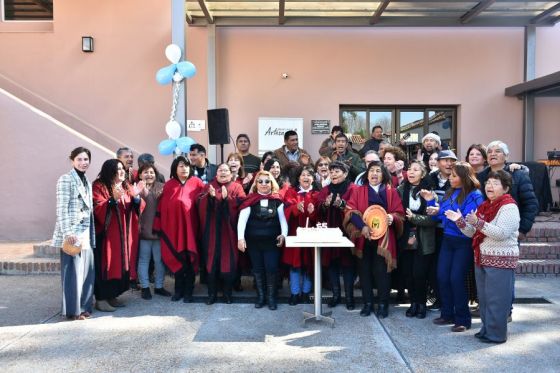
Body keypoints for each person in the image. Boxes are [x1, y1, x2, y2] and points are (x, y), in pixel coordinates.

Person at [447, 170, 519, 344]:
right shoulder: (485, 206)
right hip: (482, 258)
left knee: (497, 300)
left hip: (500, 259)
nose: (489, 186)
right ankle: (487, 330)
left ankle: (497, 335)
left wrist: (478, 223)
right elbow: (473, 233)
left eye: (495, 183)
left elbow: (501, 233)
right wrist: (460, 221)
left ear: (506, 188)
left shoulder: (509, 206)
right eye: (488, 183)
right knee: (485, 299)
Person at [423, 161, 483, 332]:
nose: (450, 178)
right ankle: (447, 313)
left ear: (465, 177)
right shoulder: (449, 193)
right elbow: (440, 217)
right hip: (448, 239)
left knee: (456, 279)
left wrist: (456, 217)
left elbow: (470, 221)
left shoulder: (475, 195)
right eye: (450, 175)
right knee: (442, 276)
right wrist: (431, 207)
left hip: (463, 242)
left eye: (454, 176)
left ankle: (463, 318)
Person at [345, 161, 405, 318]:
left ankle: (383, 304)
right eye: (371, 170)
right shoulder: (359, 191)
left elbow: (399, 212)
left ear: (383, 174)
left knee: (382, 272)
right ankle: (368, 303)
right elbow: (351, 210)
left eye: (378, 171)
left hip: (384, 238)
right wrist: (362, 226)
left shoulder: (391, 192)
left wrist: (392, 217)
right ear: (367, 174)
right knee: (364, 271)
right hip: (363, 236)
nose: (374, 174)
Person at [92, 159, 145, 312]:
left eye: (122, 168)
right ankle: (101, 299)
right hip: (107, 237)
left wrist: (136, 197)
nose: (122, 171)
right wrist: (111, 200)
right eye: (118, 169)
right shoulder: (99, 186)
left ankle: (112, 296)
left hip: (124, 237)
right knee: (106, 266)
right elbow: (98, 208)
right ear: (109, 171)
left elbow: (136, 208)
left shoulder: (126, 185)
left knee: (120, 266)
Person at [153, 156, 205, 303]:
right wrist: (158, 227)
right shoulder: (168, 186)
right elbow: (162, 208)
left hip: (192, 230)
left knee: (189, 261)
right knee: (178, 260)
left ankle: (189, 291)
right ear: (175, 168)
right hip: (173, 231)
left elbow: (204, 203)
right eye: (181, 166)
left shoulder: (197, 183)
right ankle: (178, 290)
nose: (185, 169)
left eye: (187, 166)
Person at [52, 147, 96, 320]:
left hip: (85, 232)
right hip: (72, 233)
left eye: (86, 159)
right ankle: (73, 311)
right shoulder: (65, 179)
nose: (83, 163)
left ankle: (84, 307)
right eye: (79, 159)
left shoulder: (87, 181)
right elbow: (61, 209)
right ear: (72, 160)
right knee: (72, 273)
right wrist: (67, 231)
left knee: (86, 271)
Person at [237, 171, 288, 310]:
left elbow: (283, 220)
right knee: (258, 270)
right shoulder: (250, 200)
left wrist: (283, 234)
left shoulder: (278, 200)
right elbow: (242, 221)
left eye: (267, 181)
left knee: (271, 269)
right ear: (256, 184)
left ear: (272, 183)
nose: (264, 184)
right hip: (254, 243)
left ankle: (271, 298)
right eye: (260, 181)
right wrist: (240, 238)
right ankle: (260, 297)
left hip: (272, 243)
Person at [198, 163, 246, 305]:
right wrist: (210, 198)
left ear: (231, 174)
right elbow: (199, 202)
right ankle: (211, 294)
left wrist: (228, 200)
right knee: (212, 263)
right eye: (220, 170)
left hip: (229, 232)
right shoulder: (209, 186)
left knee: (229, 263)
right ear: (216, 173)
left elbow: (243, 204)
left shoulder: (237, 187)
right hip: (212, 232)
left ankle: (227, 294)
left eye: (226, 170)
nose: (223, 172)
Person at [397, 160, 437, 319]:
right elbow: (397, 213)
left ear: (423, 173)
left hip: (424, 239)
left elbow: (433, 219)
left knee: (420, 274)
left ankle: (421, 304)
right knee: (408, 274)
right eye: (409, 169)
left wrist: (414, 218)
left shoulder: (429, 192)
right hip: (405, 238)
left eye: (415, 170)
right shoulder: (400, 189)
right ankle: (413, 303)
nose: (411, 172)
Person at [317, 161, 357, 310]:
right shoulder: (325, 189)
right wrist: (325, 205)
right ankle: (336, 296)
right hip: (330, 231)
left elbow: (356, 207)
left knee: (348, 265)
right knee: (332, 263)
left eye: (337, 171)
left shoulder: (353, 188)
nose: (333, 174)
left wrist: (342, 205)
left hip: (347, 231)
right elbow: (318, 206)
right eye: (331, 171)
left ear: (345, 174)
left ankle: (349, 298)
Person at [283, 165, 319, 305]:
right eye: (303, 175)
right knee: (295, 264)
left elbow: (321, 216)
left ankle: (305, 293)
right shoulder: (292, 192)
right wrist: (295, 208)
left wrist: (312, 212)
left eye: (309, 175)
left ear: (313, 178)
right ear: (298, 178)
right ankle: (294, 293)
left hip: (311, 234)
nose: (306, 177)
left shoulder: (317, 194)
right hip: (295, 233)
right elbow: (287, 208)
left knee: (309, 264)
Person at [426, 149, 457, 311]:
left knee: (449, 269)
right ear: (438, 162)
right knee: (434, 267)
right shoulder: (429, 178)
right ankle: (438, 298)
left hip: (451, 230)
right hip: (431, 230)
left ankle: (449, 302)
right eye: (445, 160)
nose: (449, 164)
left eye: (452, 160)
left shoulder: (457, 181)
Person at [137, 163, 171, 300]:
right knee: (144, 260)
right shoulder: (136, 188)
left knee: (159, 261)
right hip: (143, 232)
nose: (149, 175)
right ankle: (145, 287)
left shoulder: (162, 188)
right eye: (145, 172)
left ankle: (159, 286)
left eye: (151, 172)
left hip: (158, 232)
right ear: (140, 175)